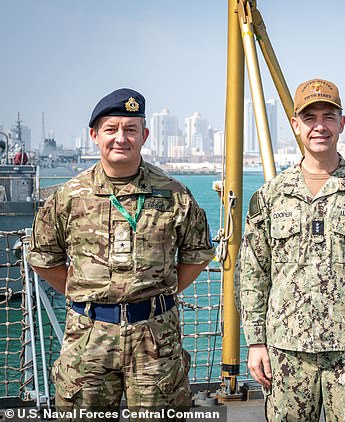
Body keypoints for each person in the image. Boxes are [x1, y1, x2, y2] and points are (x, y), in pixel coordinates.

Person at [28, 88, 214, 418]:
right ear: (94, 135)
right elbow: (45, 258)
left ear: (145, 135)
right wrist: (89, 293)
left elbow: (197, 254)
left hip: (155, 336)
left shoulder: (173, 193)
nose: (121, 138)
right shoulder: (69, 197)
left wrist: (155, 293)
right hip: (89, 335)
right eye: (111, 129)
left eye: (130, 129)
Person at [236, 78, 345, 421]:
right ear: (295, 125)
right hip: (287, 350)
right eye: (310, 117)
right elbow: (252, 274)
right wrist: (255, 341)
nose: (320, 126)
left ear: (342, 123)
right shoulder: (269, 197)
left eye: (329, 117)